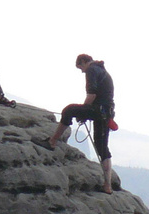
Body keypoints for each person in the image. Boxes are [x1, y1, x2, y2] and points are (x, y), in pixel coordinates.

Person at [45, 54, 116, 193]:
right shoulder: (102, 70)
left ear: (84, 62)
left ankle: (52, 141)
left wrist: (84, 111)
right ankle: (107, 185)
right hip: (105, 113)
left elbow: (91, 95)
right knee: (102, 147)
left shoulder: (92, 70)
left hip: (99, 111)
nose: (82, 71)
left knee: (68, 110)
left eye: (80, 67)